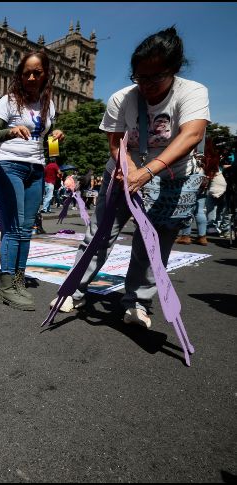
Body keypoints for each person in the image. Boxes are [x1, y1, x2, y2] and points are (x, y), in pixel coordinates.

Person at [50, 27, 209, 329]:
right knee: (99, 235)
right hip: (122, 173)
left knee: (152, 246)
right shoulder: (122, 99)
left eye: (155, 77)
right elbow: (115, 141)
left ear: (173, 70)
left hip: (170, 180)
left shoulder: (193, 92)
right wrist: (126, 166)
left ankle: (137, 302)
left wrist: (147, 171)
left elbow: (192, 134)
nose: (146, 85)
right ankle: (73, 290)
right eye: (139, 77)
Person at [0, 50, 65, 311]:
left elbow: (47, 142)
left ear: (46, 75)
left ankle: (18, 280)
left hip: (36, 170)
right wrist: (10, 131)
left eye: (36, 72)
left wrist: (56, 137)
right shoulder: (8, 102)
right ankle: (6, 286)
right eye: (26, 72)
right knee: (14, 227)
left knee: (26, 229)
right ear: (19, 75)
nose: (31, 77)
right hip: (9, 166)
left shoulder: (48, 104)